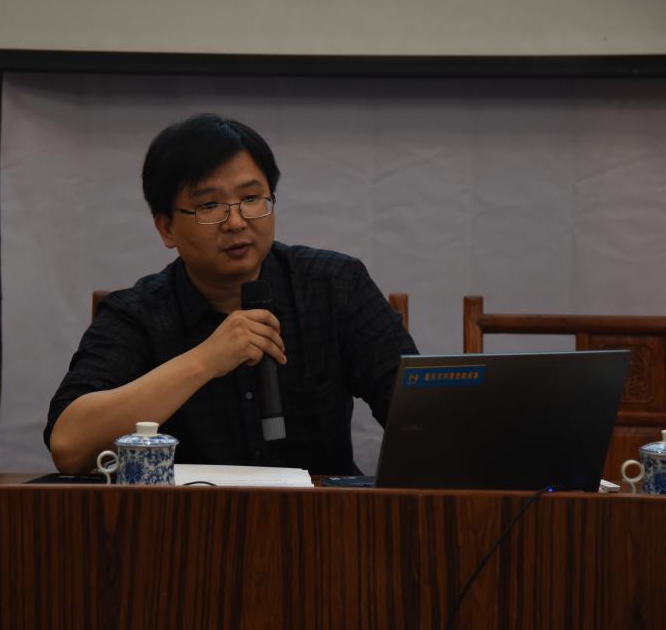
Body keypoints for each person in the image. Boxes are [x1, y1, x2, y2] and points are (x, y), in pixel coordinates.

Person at [45, 113, 417, 475]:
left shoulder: (335, 285)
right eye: (209, 205)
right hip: (189, 514)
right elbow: (69, 446)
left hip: (320, 513)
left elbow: (422, 418)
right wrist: (206, 360)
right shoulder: (137, 313)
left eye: (251, 198)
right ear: (166, 228)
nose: (236, 222)